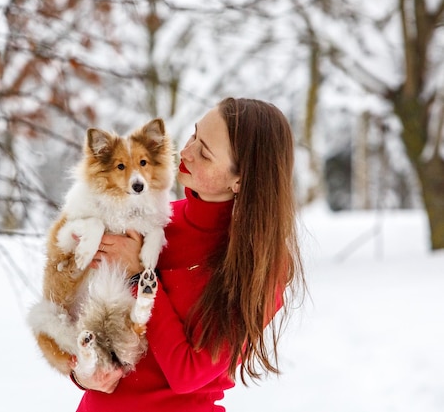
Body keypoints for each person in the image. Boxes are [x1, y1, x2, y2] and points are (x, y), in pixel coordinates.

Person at [69, 97, 305, 411]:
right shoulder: (147, 220)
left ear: (241, 179)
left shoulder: (263, 266)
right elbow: (85, 319)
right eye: (194, 135)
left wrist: (140, 276)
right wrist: (83, 371)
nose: (186, 151)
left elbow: (188, 373)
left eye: (204, 153)